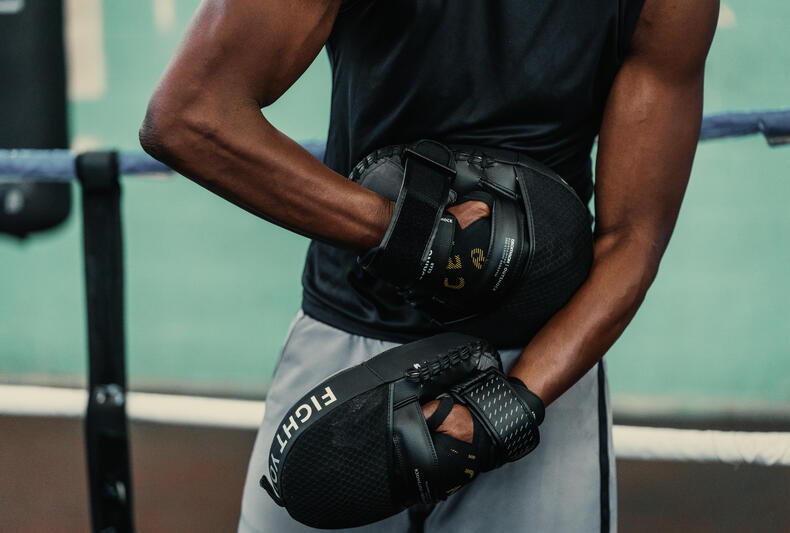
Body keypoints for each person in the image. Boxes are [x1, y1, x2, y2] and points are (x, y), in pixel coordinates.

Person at [140, 0, 719, 531]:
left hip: (542, 362)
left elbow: (633, 239)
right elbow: (190, 115)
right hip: (348, 343)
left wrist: (507, 404)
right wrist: (414, 232)